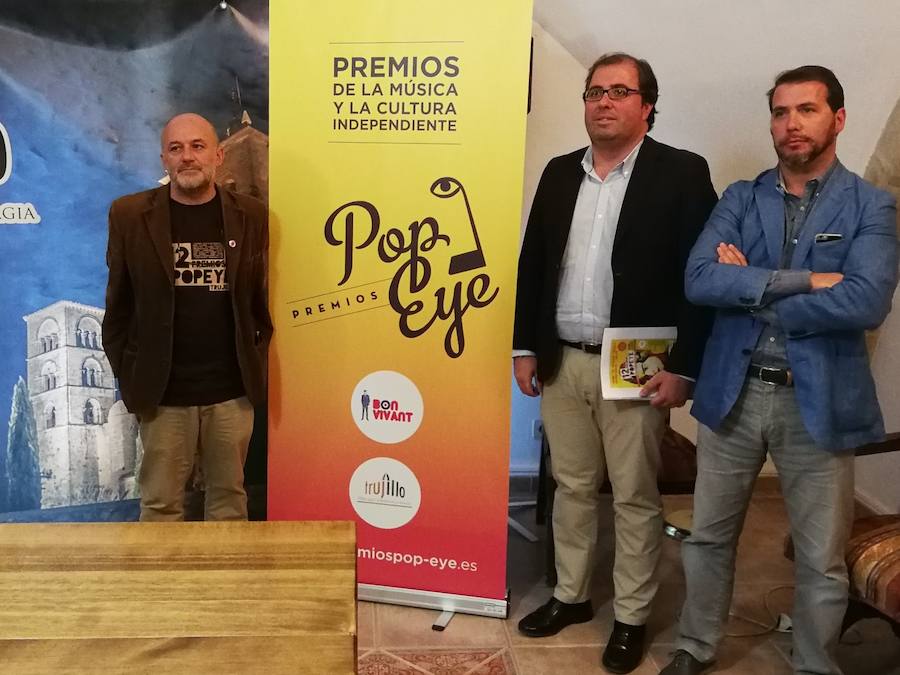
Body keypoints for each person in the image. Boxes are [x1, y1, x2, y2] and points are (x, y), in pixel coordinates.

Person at [660, 66, 899, 675]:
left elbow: (866, 301)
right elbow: (699, 279)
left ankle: (815, 664)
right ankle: (695, 645)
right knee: (709, 537)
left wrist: (749, 287)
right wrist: (807, 281)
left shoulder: (871, 205)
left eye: (807, 110)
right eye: (780, 111)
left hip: (816, 402)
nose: (791, 123)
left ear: (837, 119)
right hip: (732, 395)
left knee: (821, 558)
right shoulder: (741, 197)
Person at [513, 52, 717, 673]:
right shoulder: (559, 172)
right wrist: (525, 347)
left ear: (647, 105)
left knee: (632, 494)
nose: (603, 101)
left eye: (619, 91)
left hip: (637, 366)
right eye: (594, 91)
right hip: (563, 360)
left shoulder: (681, 173)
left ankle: (630, 615)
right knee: (572, 487)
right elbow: (533, 262)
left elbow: (700, 279)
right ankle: (571, 595)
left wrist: (684, 366)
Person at [103, 112, 273, 522]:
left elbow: (258, 299)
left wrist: (256, 360)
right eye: (176, 148)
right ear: (164, 159)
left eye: (198, 146)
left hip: (231, 392)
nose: (187, 157)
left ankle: (225, 571)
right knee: (160, 506)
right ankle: (161, 573)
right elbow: (118, 307)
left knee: (229, 503)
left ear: (217, 156)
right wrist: (130, 375)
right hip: (162, 395)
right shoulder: (129, 215)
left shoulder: (252, 215)